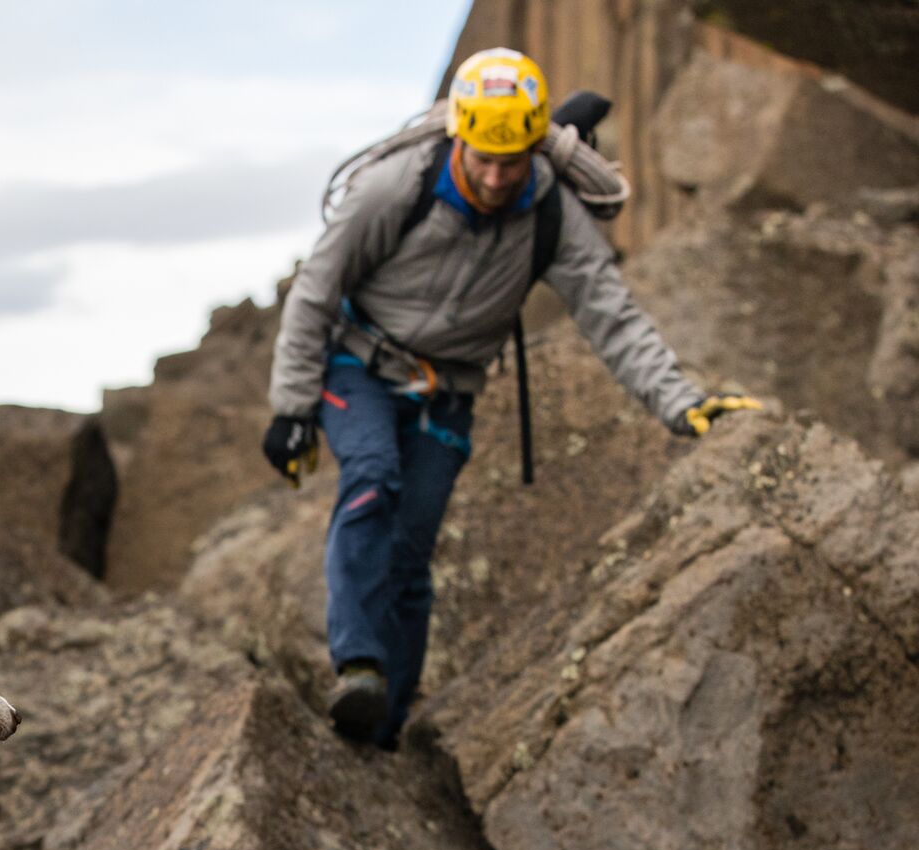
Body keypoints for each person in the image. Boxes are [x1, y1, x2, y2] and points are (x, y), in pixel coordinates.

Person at [263, 47, 759, 747]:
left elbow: (612, 316)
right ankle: (359, 667)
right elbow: (316, 289)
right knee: (371, 479)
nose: (496, 178)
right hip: (358, 365)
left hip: (448, 392)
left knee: (410, 558)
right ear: (458, 135)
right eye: (483, 158)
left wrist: (683, 404)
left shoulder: (552, 214)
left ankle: (383, 732)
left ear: (534, 146)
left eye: (513, 160)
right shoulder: (396, 186)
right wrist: (290, 411)